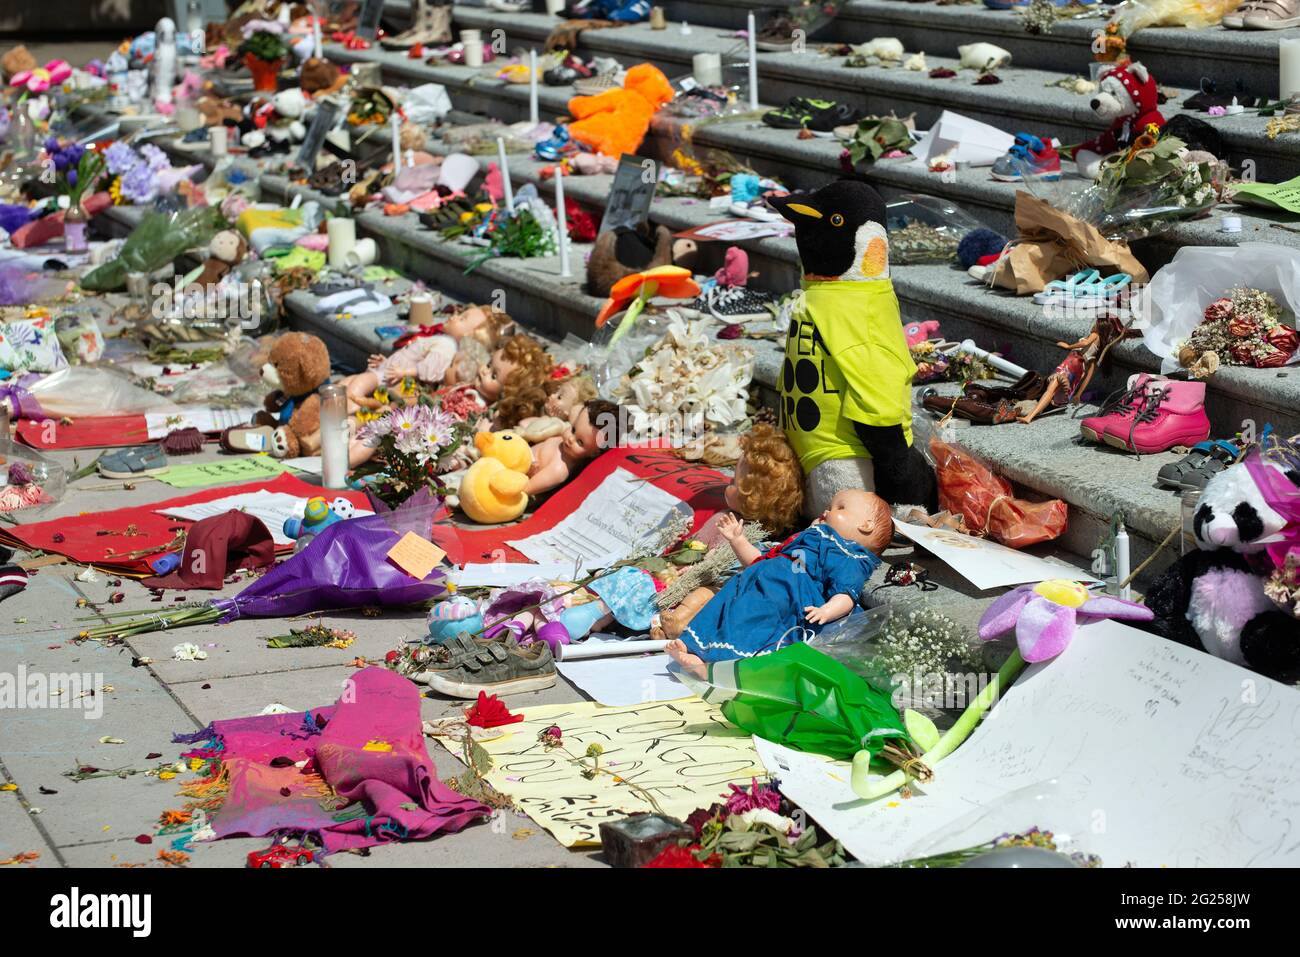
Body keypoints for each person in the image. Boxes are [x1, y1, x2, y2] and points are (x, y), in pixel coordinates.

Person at [664, 488, 890, 678]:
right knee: (723, 609)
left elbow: (846, 594)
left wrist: (827, 611)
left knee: (753, 624)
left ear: (866, 525)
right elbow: (759, 561)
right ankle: (694, 645)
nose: (826, 510)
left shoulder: (847, 554)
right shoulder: (807, 539)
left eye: (839, 508)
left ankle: (718, 668)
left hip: (783, 595)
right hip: (754, 582)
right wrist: (737, 540)